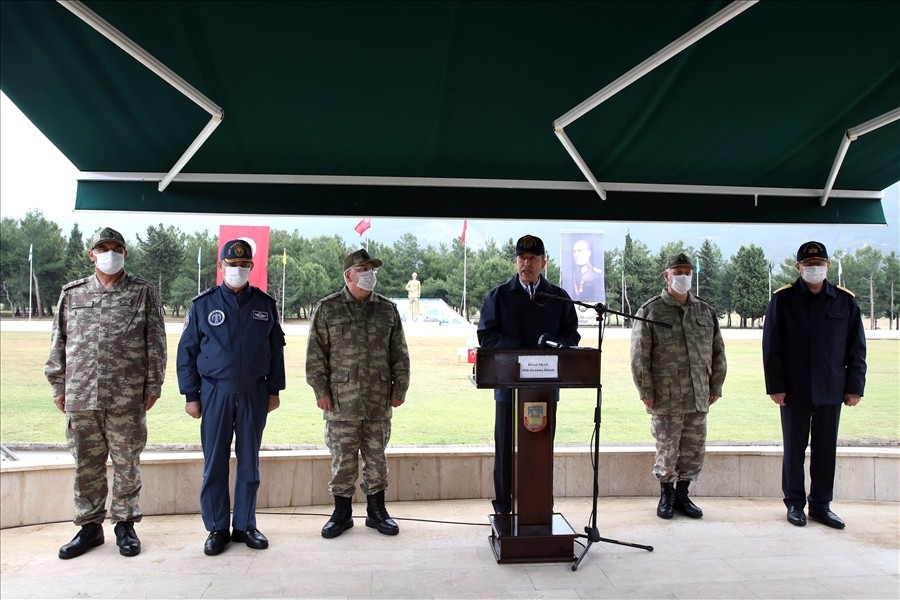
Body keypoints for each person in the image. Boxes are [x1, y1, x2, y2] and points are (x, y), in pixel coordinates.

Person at [44, 226, 167, 559]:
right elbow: (59, 341)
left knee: (127, 464)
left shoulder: (143, 292)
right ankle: (89, 527)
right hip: (81, 396)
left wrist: (153, 385)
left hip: (127, 396)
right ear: (91, 254)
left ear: (125, 253)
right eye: (103, 248)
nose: (110, 253)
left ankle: (125, 524)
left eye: (116, 248)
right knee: (87, 465)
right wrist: (58, 385)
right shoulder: (73, 293)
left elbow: (155, 342)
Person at [176, 239, 286, 555]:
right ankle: (216, 528)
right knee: (215, 464)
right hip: (215, 392)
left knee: (250, 463)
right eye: (232, 264)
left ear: (251, 267)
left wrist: (274, 390)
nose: (238, 269)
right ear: (221, 266)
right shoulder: (203, 305)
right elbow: (187, 352)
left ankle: (245, 525)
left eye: (244, 264)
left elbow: (275, 351)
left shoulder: (264, 304)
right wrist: (191, 395)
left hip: (254, 392)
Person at [306, 248, 410, 538]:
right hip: (341, 402)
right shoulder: (328, 308)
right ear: (348, 275)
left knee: (377, 459)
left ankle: (377, 513)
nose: (369, 275)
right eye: (363, 270)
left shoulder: (387, 309)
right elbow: (315, 354)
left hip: (378, 399)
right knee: (343, 459)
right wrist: (320, 390)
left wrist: (400, 388)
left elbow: (399, 354)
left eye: (371, 269)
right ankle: (341, 514)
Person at [762, 241, 866, 529]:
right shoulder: (783, 300)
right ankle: (795, 504)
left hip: (831, 388)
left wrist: (855, 386)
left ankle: (821, 505)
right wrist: (775, 386)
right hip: (794, 389)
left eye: (819, 264)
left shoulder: (844, 301)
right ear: (798, 267)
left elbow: (856, 348)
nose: (814, 268)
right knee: (794, 448)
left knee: (825, 449)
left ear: (828, 266)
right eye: (808, 265)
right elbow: (772, 347)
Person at [476, 234, 580, 515]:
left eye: (533, 259)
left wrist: (556, 346)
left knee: (541, 448)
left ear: (544, 263)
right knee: (504, 449)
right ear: (516, 262)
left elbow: (571, 334)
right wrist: (521, 351)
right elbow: (487, 336)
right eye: (522, 258)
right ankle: (503, 506)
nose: (527, 264)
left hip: (544, 388)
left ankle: (540, 506)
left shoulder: (557, 297)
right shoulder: (499, 296)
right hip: (507, 386)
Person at [630, 252, 726, 520]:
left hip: (698, 393)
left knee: (693, 449)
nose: (683, 277)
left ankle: (683, 494)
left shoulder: (705, 310)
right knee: (667, 448)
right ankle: (667, 495)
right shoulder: (651, 310)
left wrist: (715, 386)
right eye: (678, 272)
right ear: (666, 275)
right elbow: (639, 356)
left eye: (687, 272)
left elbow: (718, 352)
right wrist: (646, 391)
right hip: (666, 395)